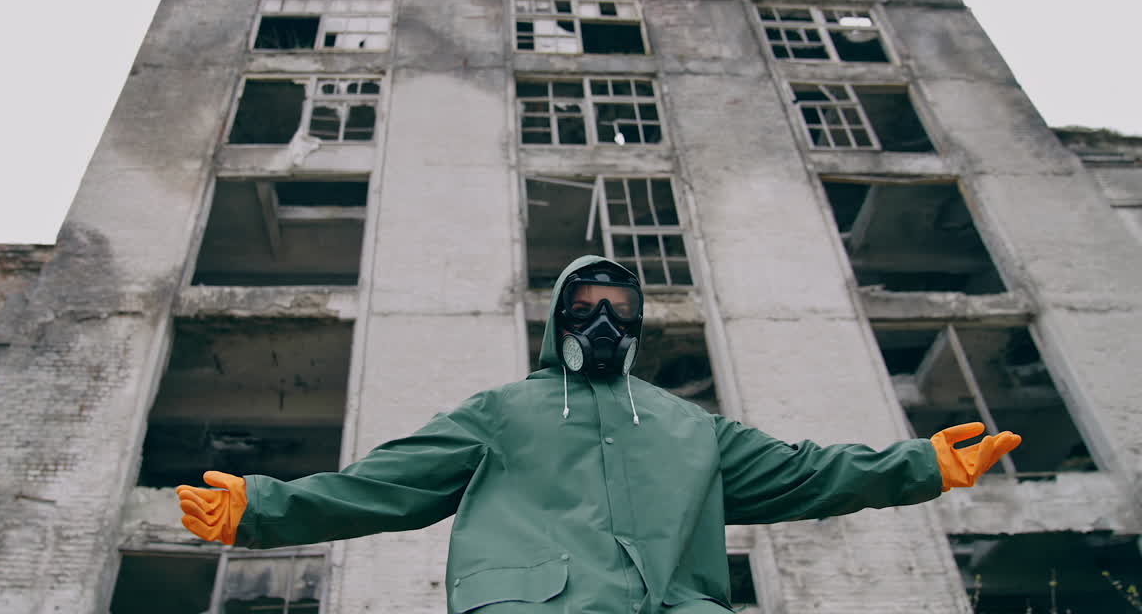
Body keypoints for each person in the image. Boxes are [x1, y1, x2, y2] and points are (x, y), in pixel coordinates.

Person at [177, 255, 1021, 614]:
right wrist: (262, 507)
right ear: (560, 320)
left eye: (619, 311)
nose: (603, 323)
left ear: (640, 324)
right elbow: (386, 483)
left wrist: (924, 463)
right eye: (587, 311)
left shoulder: (691, 426)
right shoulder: (504, 410)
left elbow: (807, 474)